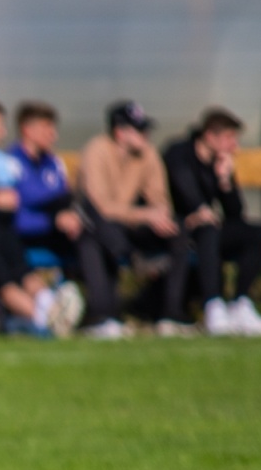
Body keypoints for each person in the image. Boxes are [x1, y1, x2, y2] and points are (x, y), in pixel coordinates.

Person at [0, 97, 82, 337]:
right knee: (0, 269)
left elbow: (9, 196)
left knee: (17, 260)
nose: (3, 131)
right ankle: (44, 317)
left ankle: (49, 304)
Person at [74, 100, 189, 339]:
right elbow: (101, 207)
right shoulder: (97, 150)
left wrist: (160, 216)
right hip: (101, 224)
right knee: (93, 235)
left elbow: (159, 196)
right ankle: (102, 315)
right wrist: (146, 214)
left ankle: (171, 314)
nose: (145, 135)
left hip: (130, 224)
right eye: (139, 129)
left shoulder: (148, 153)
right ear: (120, 132)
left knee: (177, 231)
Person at [162, 108, 261, 336]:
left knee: (258, 233)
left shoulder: (221, 163)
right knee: (209, 229)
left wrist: (225, 180)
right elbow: (186, 195)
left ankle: (240, 303)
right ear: (210, 136)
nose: (235, 146)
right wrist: (200, 210)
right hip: (177, 228)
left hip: (209, 227)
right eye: (229, 138)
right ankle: (212, 304)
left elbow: (235, 214)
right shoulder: (179, 153)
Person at [9, 100, 83, 273]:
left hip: (59, 231)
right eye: (47, 128)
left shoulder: (54, 162)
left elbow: (63, 197)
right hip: (25, 236)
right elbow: (14, 217)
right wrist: (52, 221)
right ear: (27, 130)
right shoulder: (9, 163)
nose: (54, 135)